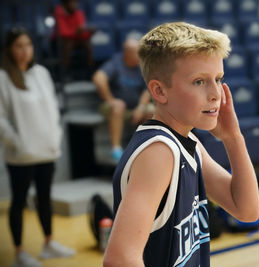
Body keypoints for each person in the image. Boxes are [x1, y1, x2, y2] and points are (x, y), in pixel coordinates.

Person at [103, 22, 259, 267]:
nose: (216, 94)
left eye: (218, 79)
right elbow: (120, 259)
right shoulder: (159, 151)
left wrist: (233, 138)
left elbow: (247, 210)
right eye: (199, 81)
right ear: (159, 91)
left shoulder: (187, 142)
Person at [0, 26, 75, 267]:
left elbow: (53, 109)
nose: (24, 51)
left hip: (46, 150)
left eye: (28, 45)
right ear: (10, 50)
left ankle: (48, 243)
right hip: (21, 155)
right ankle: (20, 252)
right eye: (18, 46)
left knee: (45, 199)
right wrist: (18, 143)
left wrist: (55, 137)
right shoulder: (2, 77)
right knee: (19, 202)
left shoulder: (41, 72)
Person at [92, 38, 152, 161]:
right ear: (127, 53)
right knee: (119, 106)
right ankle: (116, 149)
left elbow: (148, 89)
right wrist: (110, 99)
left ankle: (144, 148)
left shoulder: (142, 65)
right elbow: (98, 78)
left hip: (135, 107)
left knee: (152, 111)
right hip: (113, 107)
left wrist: (140, 107)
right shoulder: (116, 63)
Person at [53, 0, 96, 70]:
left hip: (77, 39)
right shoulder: (59, 13)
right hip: (64, 41)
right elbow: (63, 33)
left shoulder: (79, 13)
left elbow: (83, 33)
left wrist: (90, 32)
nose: (75, 5)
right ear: (65, 4)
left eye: (76, 2)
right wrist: (77, 31)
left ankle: (90, 69)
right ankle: (65, 71)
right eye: (72, 2)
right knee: (68, 44)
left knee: (88, 44)